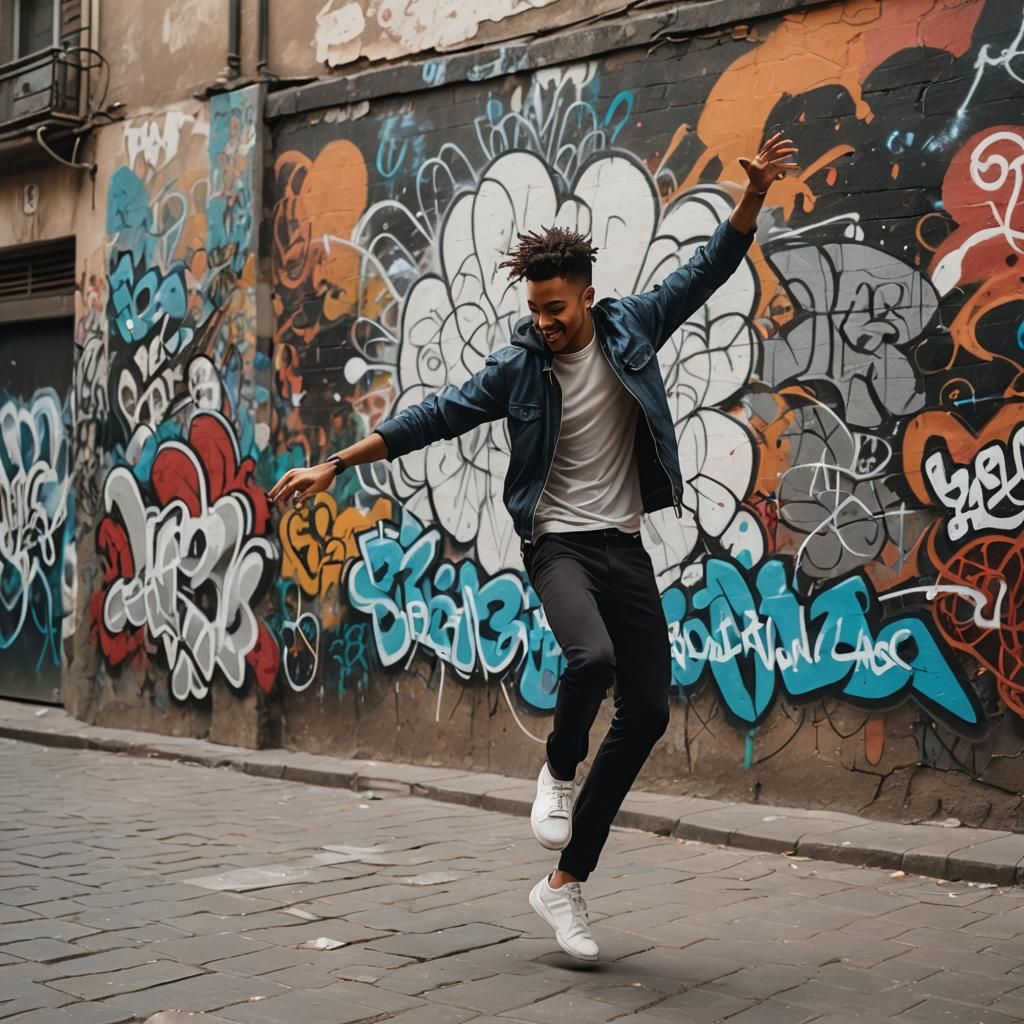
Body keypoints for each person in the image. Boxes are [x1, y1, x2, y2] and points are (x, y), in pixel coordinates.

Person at [270, 133, 798, 962]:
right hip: (556, 546)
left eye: (557, 310)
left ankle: (564, 886)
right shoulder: (517, 370)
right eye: (535, 312)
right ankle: (557, 769)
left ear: (587, 297)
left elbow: (707, 271)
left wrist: (755, 196)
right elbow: (431, 416)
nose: (545, 324)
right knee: (588, 661)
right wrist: (333, 464)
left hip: (622, 547)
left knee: (651, 712)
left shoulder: (631, 329)